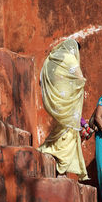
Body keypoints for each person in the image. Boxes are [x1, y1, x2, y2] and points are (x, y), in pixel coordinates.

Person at [38, 39, 89, 180]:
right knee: (69, 132)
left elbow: (41, 80)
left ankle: (50, 153)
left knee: (61, 128)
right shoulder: (70, 58)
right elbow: (79, 78)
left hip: (56, 101)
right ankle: (61, 171)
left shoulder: (52, 59)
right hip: (68, 100)